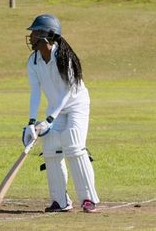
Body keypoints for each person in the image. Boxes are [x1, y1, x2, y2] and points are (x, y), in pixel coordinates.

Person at [22, 14, 100, 213]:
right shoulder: (34, 61)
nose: (31, 36)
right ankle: (60, 201)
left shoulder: (64, 58)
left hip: (76, 105)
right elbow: (35, 92)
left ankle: (88, 199)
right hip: (55, 109)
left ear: (47, 35)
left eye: (35, 32)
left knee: (73, 146)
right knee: (50, 149)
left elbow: (67, 93)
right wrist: (32, 123)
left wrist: (48, 120)